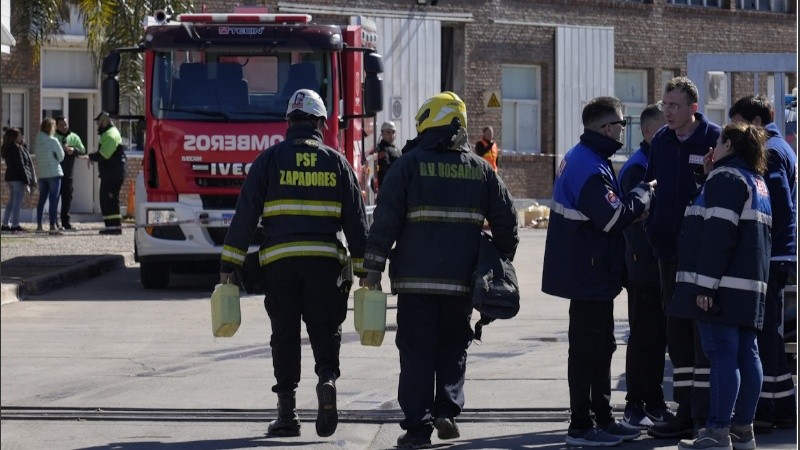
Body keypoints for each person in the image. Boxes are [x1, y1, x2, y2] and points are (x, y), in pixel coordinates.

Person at [362, 91, 519, 449]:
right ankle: (447, 409)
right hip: (462, 283)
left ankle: (418, 430)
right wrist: (496, 261)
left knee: (417, 352)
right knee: (453, 347)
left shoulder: (407, 165)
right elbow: (507, 223)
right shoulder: (481, 169)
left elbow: (385, 222)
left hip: (415, 284)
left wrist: (372, 270)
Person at [219, 89, 369, 439]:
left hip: (280, 267)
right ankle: (327, 379)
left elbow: (244, 217)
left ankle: (287, 413)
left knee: (284, 335)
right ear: (319, 122)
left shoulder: (269, 160)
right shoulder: (337, 162)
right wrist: (366, 271)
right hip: (325, 266)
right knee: (325, 328)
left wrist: (229, 265)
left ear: (290, 122)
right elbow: (357, 224)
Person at [541, 96, 655, 447]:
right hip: (587, 272)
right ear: (608, 128)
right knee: (589, 349)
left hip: (591, 271)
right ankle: (582, 426)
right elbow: (613, 217)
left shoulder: (586, 158)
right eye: (621, 124)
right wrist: (644, 196)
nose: (623, 130)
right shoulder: (588, 166)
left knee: (600, 345)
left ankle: (601, 418)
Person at [668, 122, 771, 450]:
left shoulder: (726, 179)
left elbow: (717, 237)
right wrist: (707, 175)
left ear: (729, 145)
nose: (714, 147)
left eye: (719, 142)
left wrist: (706, 287)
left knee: (722, 355)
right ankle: (742, 429)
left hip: (722, 287)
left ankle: (716, 430)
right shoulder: (755, 181)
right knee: (746, 354)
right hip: (748, 287)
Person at [644, 76, 721, 440]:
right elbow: (652, 188)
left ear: (693, 108)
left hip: (702, 255)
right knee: (676, 331)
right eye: (664, 105)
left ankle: (705, 415)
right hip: (668, 252)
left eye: (674, 106)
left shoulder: (715, 139)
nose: (668, 113)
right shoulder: (661, 140)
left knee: (701, 331)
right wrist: (653, 228)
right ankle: (684, 410)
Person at [728, 95, 797, 433]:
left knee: (765, 333)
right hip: (779, 254)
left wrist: (762, 243)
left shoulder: (768, 150)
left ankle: (767, 411)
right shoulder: (781, 146)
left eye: (739, 123)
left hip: (772, 256)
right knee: (769, 333)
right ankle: (781, 407)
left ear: (754, 121)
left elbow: (779, 207)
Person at [618, 104, 675, 429]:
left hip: (653, 267)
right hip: (645, 270)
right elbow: (636, 226)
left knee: (656, 338)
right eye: (664, 128)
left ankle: (652, 402)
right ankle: (636, 405)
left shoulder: (650, 162)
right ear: (650, 132)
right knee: (644, 338)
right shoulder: (639, 169)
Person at [88, 112, 126, 235]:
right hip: (111, 173)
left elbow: (104, 154)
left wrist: (91, 157)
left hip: (112, 174)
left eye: (98, 122)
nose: (97, 124)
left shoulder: (110, 135)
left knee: (109, 200)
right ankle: (112, 227)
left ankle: (113, 228)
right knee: (108, 200)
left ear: (104, 121)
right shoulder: (109, 133)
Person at [33, 117, 65, 235]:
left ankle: (39, 226)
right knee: (53, 200)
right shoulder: (53, 141)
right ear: (52, 128)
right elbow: (61, 157)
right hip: (54, 173)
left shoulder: (38, 140)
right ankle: (52, 226)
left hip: (42, 174)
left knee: (41, 200)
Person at [1, 128, 36, 233]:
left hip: (10, 178)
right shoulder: (16, 148)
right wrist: (27, 180)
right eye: (19, 135)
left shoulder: (6, 148)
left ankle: (5, 224)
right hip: (18, 178)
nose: (21, 137)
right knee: (17, 203)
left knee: (11, 202)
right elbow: (21, 165)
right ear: (15, 136)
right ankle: (15, 225)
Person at [55, 116, 86, 231]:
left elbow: (83, 150)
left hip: (68, 174)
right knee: (55, 198)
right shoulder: (53, 137)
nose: (64, 127)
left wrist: (73, 150)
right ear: (56, 126)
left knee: (67, 199)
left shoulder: (74, 137)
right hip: (55, 173)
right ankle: (54, 223)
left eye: (65, 124)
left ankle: (66, 222)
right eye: (61, 125)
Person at [372, 121, 401, 192]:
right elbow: (385, 168)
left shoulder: (397, 150)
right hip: (387, 189)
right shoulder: (381, 149)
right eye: (388, 132)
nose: (391, 135)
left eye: (393, 132)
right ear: (382, 133)